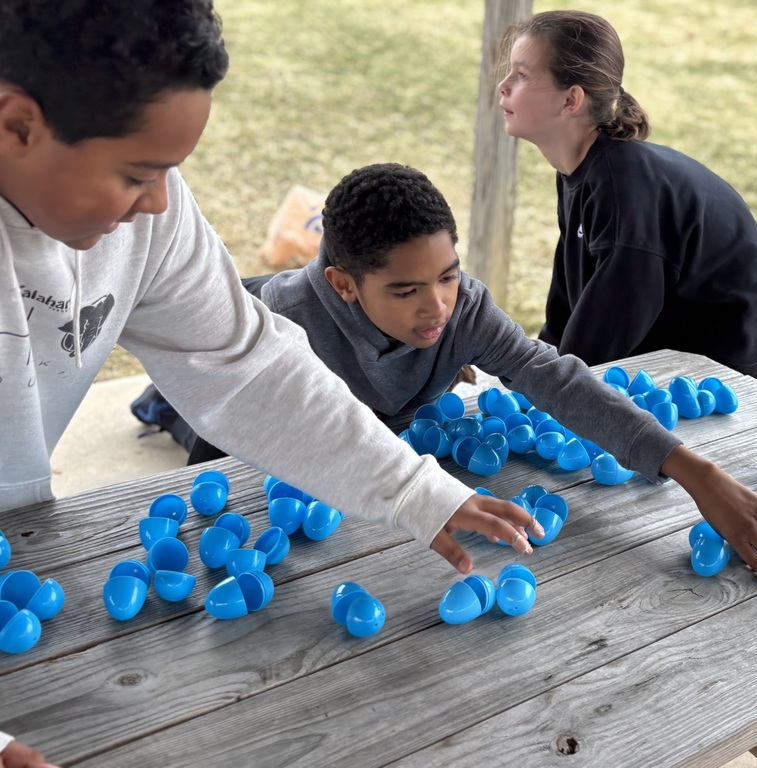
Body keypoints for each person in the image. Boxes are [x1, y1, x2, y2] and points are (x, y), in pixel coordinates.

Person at [0, 5, 538, 764]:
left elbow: (249, 365)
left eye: (169, 173)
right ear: (16, 125)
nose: (159, 204)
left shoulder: (148, 214)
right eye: (137, 175)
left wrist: (414, 489)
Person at [151, 161, 757, 576]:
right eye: (405, 291)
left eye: (448, 276)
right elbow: (228, 430)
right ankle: (156, 404)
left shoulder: (464, 312)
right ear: (343, 284)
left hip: (380, 447)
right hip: (270, 421)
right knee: (182, 411)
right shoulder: (281, 326)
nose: (437, 310)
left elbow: (554, 378)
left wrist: (693, 469)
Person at [498, 10, 757, 379]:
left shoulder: (621, 185)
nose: (503, 86)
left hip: (723, 336)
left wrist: (552, 385)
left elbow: (601, 338)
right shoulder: (580, 168)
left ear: (571, 100)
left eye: (521, 75)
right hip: (665, 314)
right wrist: (535, 370)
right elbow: (571, 299)